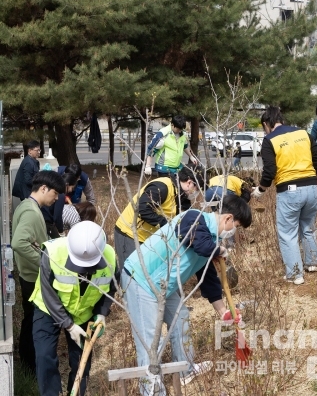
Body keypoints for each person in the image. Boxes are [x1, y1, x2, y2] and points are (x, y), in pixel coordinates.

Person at [121, 195, 251, 394]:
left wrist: (223, 311)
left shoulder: (212, 240)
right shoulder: (193, 218)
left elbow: (208, 278)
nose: (234, 232)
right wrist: (219, 250)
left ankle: (185, 370)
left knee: (181, 319)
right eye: (236, 226)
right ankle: (152, 391)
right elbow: (198, 243)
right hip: (141, 279)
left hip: (165, 285)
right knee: (148, 342)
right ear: (227, 218)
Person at [30, 222, 117, 396]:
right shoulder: (53, 253)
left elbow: (112, 286)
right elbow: (48, 293)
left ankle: (76, 393)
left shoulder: (109, 256)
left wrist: (101, 313)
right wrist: (68, 325)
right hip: (48, 309)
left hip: (83, 313)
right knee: (44, 355)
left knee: (81, 363)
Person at [252, 106, 317, 284]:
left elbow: (269, 170)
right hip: (310, 187)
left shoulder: (270, 140)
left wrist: (260, 190)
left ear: (265, 124)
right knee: (308, 227)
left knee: (287, 233)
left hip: (289, 190)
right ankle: (312, 263)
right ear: (281, 119)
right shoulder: (303, 133)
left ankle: (295, 274)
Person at [11, 170, 65, 376]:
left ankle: (27, 362)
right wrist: (44, 264)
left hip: (27, 275)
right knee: (33, 322)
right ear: (44, 188)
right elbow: (19, 243)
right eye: (55, 193)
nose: (57, 198)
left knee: (29, 319)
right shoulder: (32, 213)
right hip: (32, 278)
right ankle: (30, 365)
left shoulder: (26, 205)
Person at [114, 166, 199, 267]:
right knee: (131, 272)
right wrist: (169, 225)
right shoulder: (162, 187)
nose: (197, 194)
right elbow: (143, 210)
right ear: (189, 182)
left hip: (148, 237)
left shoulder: (181, 195)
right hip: (129, 234)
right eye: (197, 189)